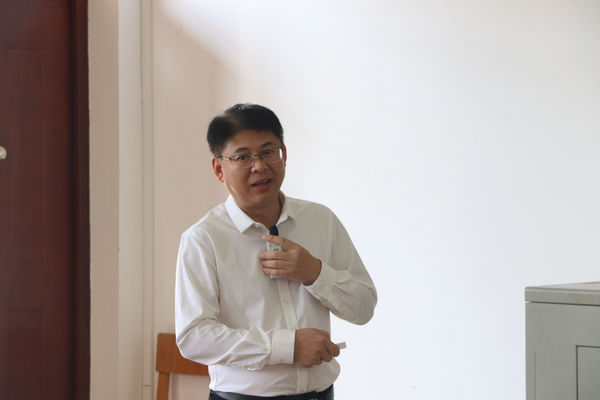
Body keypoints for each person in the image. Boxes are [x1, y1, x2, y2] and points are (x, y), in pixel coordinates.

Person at [175, 104, 377, 400]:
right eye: (243, 157)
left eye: (268, 151)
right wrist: (286, 347)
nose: (259, 166)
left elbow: (363, 307)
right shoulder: (203, 239)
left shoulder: (320, 220)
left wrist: (315, 273)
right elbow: (194, 337)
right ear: (219, 169)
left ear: (284, 154)